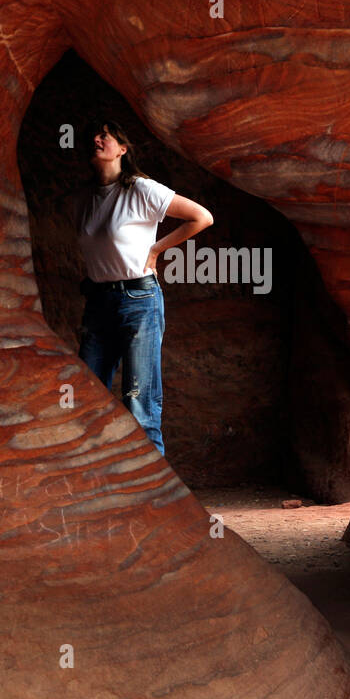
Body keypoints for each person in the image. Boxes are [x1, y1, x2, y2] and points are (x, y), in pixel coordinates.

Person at [75, 118, 213, 456]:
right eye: (95, 133)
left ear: (122, 149)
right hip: (98, 304)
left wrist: (155, 250)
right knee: (86, 397)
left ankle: (154, 500)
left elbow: (202, 217)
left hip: (138, 299)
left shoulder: (139, 189)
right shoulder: (88, 198)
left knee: (139, 399)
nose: (97, 138)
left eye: (106, 134)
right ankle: (100, 487)